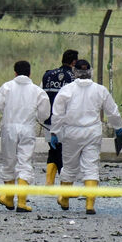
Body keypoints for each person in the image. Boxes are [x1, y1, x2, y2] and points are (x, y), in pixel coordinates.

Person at [50, 60, 122, 215]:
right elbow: (113, 111)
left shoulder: (67, 90)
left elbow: (57, 114)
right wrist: (118, 127)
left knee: (69, 166)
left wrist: (54, 132)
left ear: (74, 72)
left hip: (71, 132)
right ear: (90, 72)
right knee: (91, 167)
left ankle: (64, 198)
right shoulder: (100, 90)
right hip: (92, 132)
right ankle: (89, 205)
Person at [0, 61, 50, 213]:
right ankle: (22, 202)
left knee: (9, 162)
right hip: (27, 129)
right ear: (30, 73)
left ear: (15, 73)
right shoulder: (37, 91)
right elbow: (44, 114)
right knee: (25, 162)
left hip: (9, 129)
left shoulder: (7, 87)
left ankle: (8, 198)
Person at [41, 49, 78, 186]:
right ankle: (65, 185)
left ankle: (49, 183)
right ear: (74, 62)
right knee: (66, 153)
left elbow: (42, 96)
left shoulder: (48, 75)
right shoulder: (75, 78)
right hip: (67, 122)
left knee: (53, 150)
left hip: (49, 120)